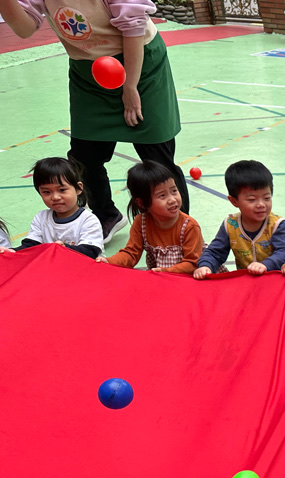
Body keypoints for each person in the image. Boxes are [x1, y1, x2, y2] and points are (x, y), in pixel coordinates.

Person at [1, 0, 189, 244]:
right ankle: (106, 216)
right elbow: (24, 29)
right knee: (84, 158)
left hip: (139, 65)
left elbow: (133, 26)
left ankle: (179, 229)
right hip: (88, 73)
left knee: (157, 159)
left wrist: (130, 86)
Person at [97, 160, 202, 273]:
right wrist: (109, 262)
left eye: (174, 191)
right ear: (142, 203)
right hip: (159, 276)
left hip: (184, 278)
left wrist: (166, 271)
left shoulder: (189, 227)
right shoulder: (141, 223)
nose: (172, 199)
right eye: (162, 195)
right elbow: (131, 254)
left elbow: (192, 263)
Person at [193, 161, 285, 279]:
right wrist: (205, 266)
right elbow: (215, 252)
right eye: (252, 199)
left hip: (277, 281)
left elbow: (284, 252)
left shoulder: (277, 224)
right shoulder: (230, 225)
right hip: (247, 282)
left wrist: (265, 265)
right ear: (234, 201)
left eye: (267, 198)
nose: (261, 204)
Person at [7, 158, 103, 258]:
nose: (55, 197)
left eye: (62, 190)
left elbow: (90, 252)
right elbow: (30, 247)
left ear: (78, 188)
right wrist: (12, 251)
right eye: (47, 192)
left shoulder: (88, 220)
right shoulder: (41, 218)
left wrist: (63, 249)